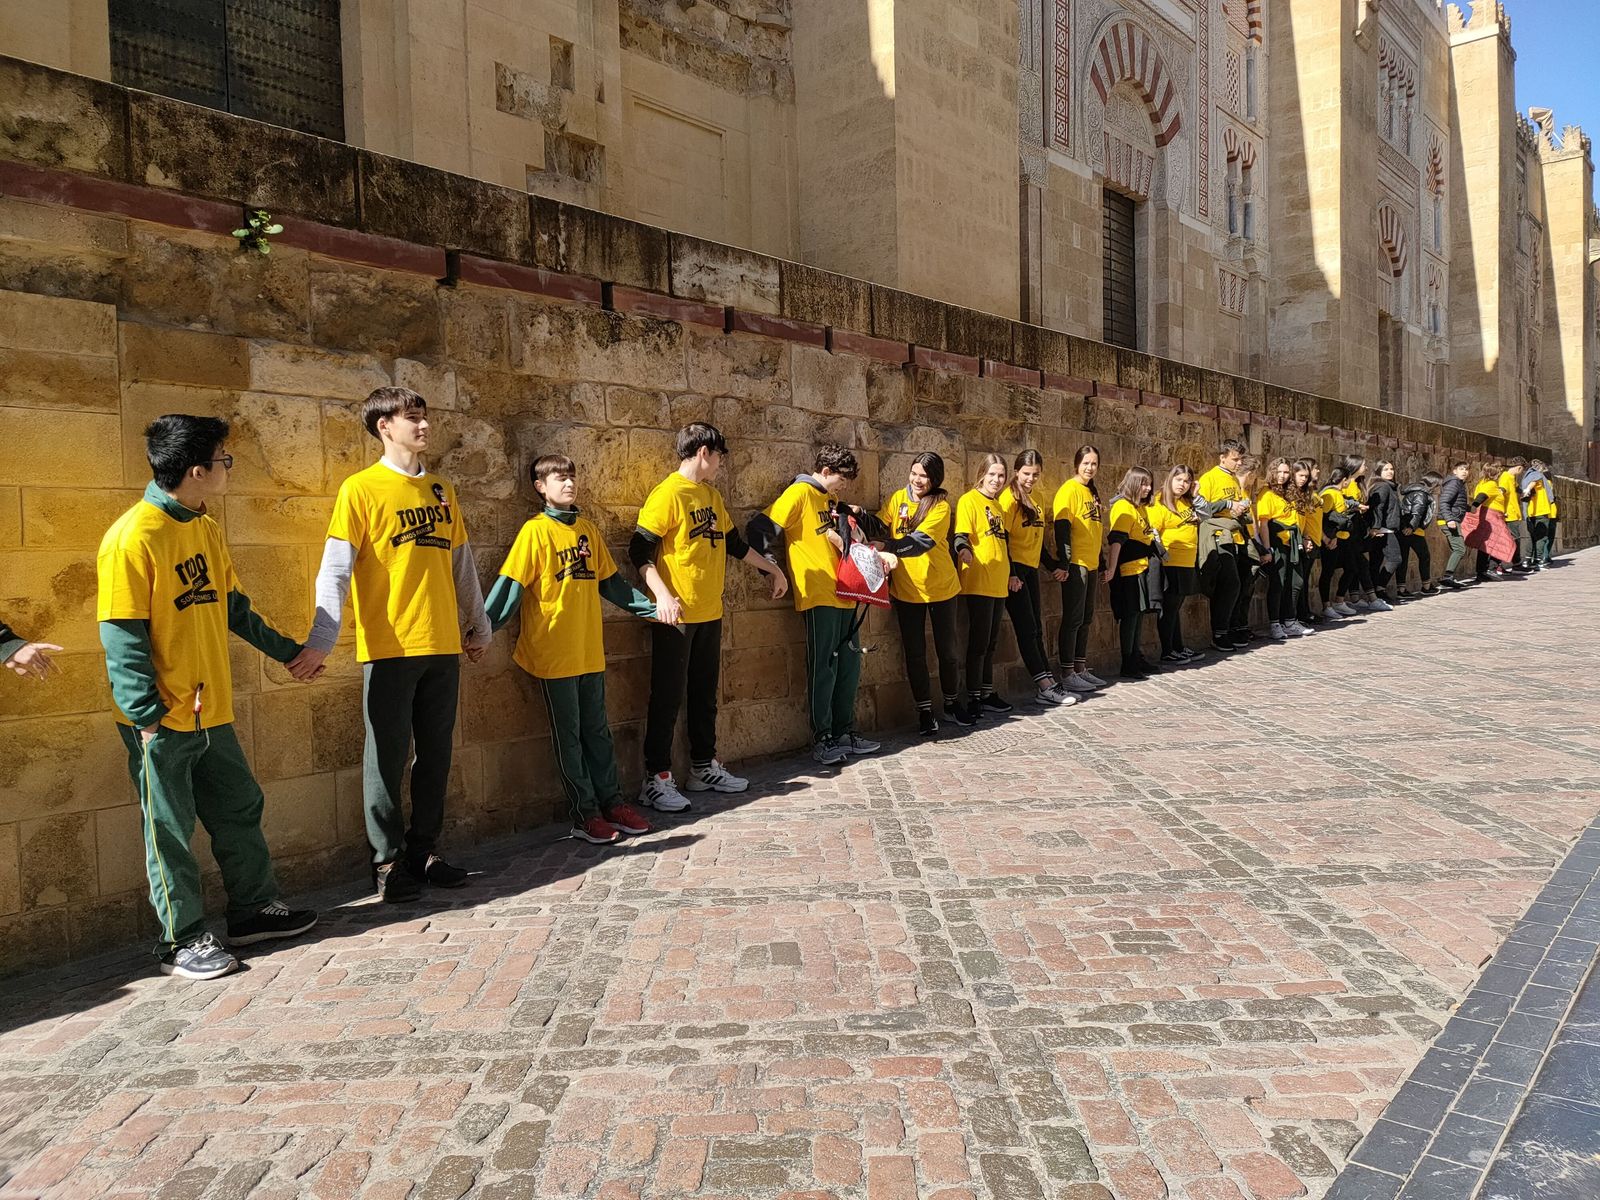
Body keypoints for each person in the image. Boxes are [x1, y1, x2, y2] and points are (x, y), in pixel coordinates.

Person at [97, 414, 319, 980]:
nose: (228, 468)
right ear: (197, 470)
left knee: (239, 807)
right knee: (168, 830)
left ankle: (253, 910)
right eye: (224, 460)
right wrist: (145, 716)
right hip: (161, 719)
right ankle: (182, 941)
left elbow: (233, 608)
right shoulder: (131, 537)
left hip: (209, 709)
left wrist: (289, 652)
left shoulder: (205, 526)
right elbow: (121, 632)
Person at [301, 387, 491, 903]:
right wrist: (322, 639)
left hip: (442, 645)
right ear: (384, 426)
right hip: (389, 648)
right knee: (385, 759)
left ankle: (424, 851)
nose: (424, 426)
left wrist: (478, 624)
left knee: (435, 755)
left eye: (424, 417)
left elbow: (461, 563)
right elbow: (335, 570)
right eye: (412, 418)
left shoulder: (442, 490)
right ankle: (387, 862)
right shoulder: (360, 489)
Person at [485, 454, 662, 845]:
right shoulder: (535, 532)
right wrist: (483, 629)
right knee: (569, 737)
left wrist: (653, 609)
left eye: (572, 477)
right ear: (540, 487)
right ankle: (585, 815)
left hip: (588, 651)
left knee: (598, 733)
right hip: (553, 654)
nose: (568, 484)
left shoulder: (587, 530)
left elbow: (611, 584)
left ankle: (613, 803)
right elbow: (511, 586)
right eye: (559, 478)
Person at [631, 423, 789, 813]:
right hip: (676, 615)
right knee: (667, 697)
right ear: (704, 452)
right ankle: (656, 779)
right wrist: (662, 595)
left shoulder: (712, 496)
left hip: (710, 612)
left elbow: (734, 545)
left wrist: (773, 569)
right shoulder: (668, 494)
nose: (720, 463)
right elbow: (638, 551)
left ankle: (703, 767)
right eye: (719, 456)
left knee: (704, 695)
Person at [747, 444, 884, 766]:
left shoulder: (831, 500)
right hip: (818, 592)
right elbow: (759, 528)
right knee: (824, 666)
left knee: (849, 665)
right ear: (825, 471)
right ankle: (823, 738)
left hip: (845, 590)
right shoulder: (799, 494)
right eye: (842, 479)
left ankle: (844, 731)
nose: (844, 486)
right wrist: (771, 570)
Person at [879, 453, 970, 734]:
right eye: (914, 473)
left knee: (948, 651)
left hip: (941, 588)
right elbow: (881, 526)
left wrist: (888, 547)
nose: (917, 480)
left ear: (935, 480)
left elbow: (920, 543)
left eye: (925, 476)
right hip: (907, 590)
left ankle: (952, 703)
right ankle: (925, 711)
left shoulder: (940, 506)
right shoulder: (897, 499)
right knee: (915, 653)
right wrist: (857, 515)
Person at [998, 450, 1075, 708]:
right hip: (1014, 570)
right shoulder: (1008, 499)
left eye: (1036, 474)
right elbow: (1003, 539)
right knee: (1027, 629)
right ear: (1016, 472)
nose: (1031, 479)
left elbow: (1038, 540)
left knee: (1036, 629)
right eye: (1026, 474)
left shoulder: (1038, 498)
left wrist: (1053, 565)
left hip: (1030, 569)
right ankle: (1044, 685)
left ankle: (1049, 682)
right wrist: (1011, 572)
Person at [954, 455, 1017, 714]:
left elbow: (1003, 543)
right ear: (982, 474)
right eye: (992, 474)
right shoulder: (969, 500)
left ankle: (987, 691)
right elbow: (960, 535)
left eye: (1001, 475)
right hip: (979, 579)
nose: (997, 480)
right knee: (979, 642)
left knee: (991, 641)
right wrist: (964, 551)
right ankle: (974, 696)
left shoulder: (999, 506)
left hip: (999, 580)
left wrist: (1012, 573)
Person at [1051, 446, 1107, 691]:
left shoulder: (1092, 492)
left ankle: (1080, 667)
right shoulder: (1069, 490)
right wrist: (1064, 562)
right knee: (1073, 618)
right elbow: (1062, 529)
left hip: (1092, 563)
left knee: (1086, 618)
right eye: (1086, 463)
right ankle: (1067, 672)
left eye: (1094, 464)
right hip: (1076, 564)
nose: (1090, 468)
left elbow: (1096, 531)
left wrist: (1102, 563)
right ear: (1077, 464)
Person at [1194, 439, 1254, 651]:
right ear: (1222, 458)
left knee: (1241, 583)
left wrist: (1241, 508)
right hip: (1218, 536)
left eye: (1240, 459)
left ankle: (1231, 627)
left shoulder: (1233, 479)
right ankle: (1219, 632)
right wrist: (1228, 504)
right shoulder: (1210, 478)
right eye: (1235, 459)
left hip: (1235, 536)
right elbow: (1203, 509)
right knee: (1229, 584)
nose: (1239, 463)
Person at [1104, 467, 1160, 677]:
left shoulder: (1139, 508)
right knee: (1130, 614)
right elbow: (1117, 541)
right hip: (1129, 570)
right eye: (1143, 484)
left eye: (1149, 484)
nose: (1147, 488)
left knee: (1139, 613)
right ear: (1133, 484)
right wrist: (1112, 568)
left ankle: (1136, 655)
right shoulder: (1123, 507)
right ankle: (1128, 662)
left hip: (1142, 567)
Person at [1147, 465, 1205, 663]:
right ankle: (1168, 650)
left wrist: (1196, 495)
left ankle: (1178, 646)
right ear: (1170, 479)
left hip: (1187, 560)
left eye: (1187, 481)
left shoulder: (1187, 501)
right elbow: (1153, 532)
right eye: (1179, 480)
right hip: (1171, 561)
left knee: (1176, 606)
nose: (1183, 484)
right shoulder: (1160, 501)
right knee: (1169, 607)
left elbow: (1206, 515)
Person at [1254, 457, 1306, 639]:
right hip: (1277, 543)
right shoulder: (1266, 493)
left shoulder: (1287, 493)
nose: (1282, 476)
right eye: (1279, 472)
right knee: (1278, 584)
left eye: (1286, 472)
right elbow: (1263, 523)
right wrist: (1267, 549)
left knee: (1296, 582)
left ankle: (1290, 620)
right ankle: (1275, 623)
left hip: (1292, 543)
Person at [1365, 461, 1402, 606]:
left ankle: (1374, 593)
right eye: (1385, 469)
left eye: (1391, 469)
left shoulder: (1390, 487)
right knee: (1395, 558)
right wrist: (1376, 527)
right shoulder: (1383, 486)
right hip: (1383, 529)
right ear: (1378, 471)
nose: (1390, 471)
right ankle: (1379, 588)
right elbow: (1377, 507)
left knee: (1376, 561)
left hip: (1384, 528)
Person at [1397, 472, 1440, 597]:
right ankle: (1426, 586)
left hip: (1405, 528)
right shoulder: (1421, 494)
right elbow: (1417, 512)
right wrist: (1411, 527)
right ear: (1433, 484)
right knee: (1424, 556)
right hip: (1413, 530)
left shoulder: (1415, 491)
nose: (1439, 488)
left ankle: (1401, 589)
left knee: (1404, 558)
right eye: (1438, 485)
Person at [1292, 459, 1323, 627]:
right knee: (1299, 580)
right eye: (1315, 468)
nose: (1317, 471)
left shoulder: (1311, 492)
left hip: (1314, 538)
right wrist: (1307, 538)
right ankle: (1300, 614)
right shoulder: (1299, 493)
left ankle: (1304, 612)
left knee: (1305, 578)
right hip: (1305, 539)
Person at [1436, 461, 1471, 590]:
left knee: (1456, 548)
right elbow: (1444, 502)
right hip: (1449, 520)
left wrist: (1468, 508)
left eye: (1466, 469)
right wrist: (1449, 519)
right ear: (1454, 471)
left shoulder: (1459, 484)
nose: (1464, 472)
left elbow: (1456, 502)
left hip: (1451, 519)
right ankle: (1447, 577)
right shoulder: (1454, 483)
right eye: (1461, 469)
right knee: (1460, 549)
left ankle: (1448, 577)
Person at [1472, 461, 1509, 582]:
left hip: (1490, 515)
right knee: (1491, 544)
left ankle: (1483, 571)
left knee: (1486, 544)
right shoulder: (1491, 484)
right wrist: (1474, 506)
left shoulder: (1483, 483)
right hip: (1491, 517)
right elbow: (1482, 496)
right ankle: (1486, 570)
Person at [1521, 458, 1558, 570]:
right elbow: (1534, 480)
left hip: (1531, 511)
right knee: (1541, 537)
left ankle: (1528, 560)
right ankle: (1539, 560)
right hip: (1541, 510)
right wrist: (1528, 489)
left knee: (1532, 537)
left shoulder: (1527, 477)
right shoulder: (1538, 477)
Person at [1498, 457, 1531, 572]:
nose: (1521, 473)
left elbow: (1516, 488)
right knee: (1515, 539)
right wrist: (1502, 510)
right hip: (1509, 514)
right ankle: (1516, 564)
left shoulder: (1512, 477)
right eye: (1522, 470)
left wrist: (1524, 492)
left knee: (1511, 539)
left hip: (1513, 513)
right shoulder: (1505, 477)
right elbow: (1501, 493)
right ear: (1519, 468)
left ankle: (1501, 565)